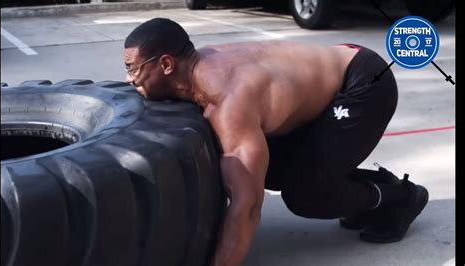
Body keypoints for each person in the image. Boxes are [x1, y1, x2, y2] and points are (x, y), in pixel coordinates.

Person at [123, 18, 429, 266]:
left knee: (306, 196)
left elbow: (248, 206)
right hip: (320, 85)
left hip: (363, 83)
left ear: (166, 64)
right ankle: (359, 187)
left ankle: (399, 197)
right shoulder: (196, 68)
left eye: (133, 69)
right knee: (269, 169)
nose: (129, 81)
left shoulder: (229, 100)